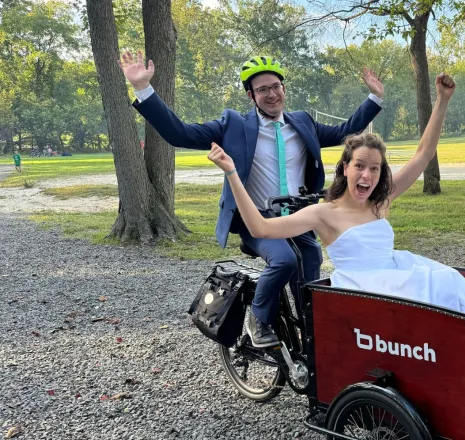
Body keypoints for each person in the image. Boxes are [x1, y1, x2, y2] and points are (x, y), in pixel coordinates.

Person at [119, 51, 385, 347]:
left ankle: (311, 331)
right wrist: (143, 88)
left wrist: (374, 98)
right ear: (251, 95)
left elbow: (344, 132)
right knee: (283, 261)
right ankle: (258, 317)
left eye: (276, 87)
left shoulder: (303, 122)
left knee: (311, 265)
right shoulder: (233, 125)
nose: (272, 94)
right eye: (262, 90)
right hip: (256, 220)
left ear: (284, 88)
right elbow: (179, 133)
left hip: (297, 219)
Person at [208, 73, 465, 321]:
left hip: (395, 272)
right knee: (433, 291)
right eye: (359, 166)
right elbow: (260, 228)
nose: (367, 176)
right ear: (345, 168)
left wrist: (442, 100)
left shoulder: (381, 201)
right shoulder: (324, 213)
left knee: (448, 282)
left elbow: (422, 155)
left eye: (374, 169)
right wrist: (232, 173)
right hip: (362, 286)